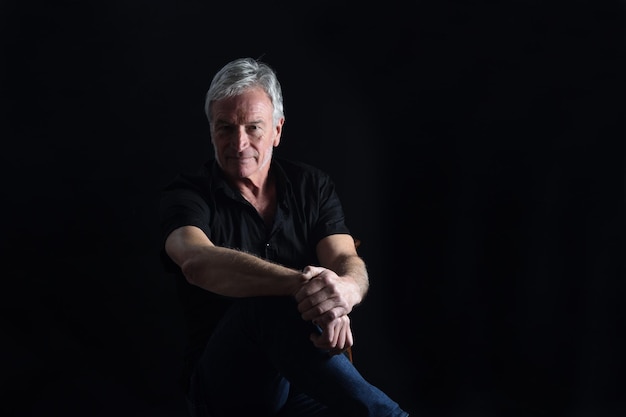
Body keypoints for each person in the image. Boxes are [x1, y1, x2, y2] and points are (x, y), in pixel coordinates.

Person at [159, 57, 409, 417]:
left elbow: (344, 260)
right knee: (264, 301)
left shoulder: (312, 186)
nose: (239, 142)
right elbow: (197, 262)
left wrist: (343, 293)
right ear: (211, 130)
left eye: (253, 128)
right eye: (225, 128)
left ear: (277, 130)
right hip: (226, 389)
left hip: (299, 379)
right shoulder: (187, 195)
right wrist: (303, 285)